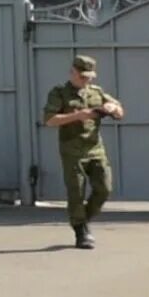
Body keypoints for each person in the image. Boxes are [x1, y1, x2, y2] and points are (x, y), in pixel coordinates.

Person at [42, 55, 124, 249]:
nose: (86, 80)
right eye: (82, 76)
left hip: (95, 149)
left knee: (104, 188)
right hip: (72, 150)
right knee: (76, 192)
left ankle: (81, 219)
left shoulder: (96, 92)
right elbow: (50, 120)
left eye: (89, 77)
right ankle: (81, 232)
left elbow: (120, 112)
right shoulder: (59, 93)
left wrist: (113, 108)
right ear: (73, 72)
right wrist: (78, 115)